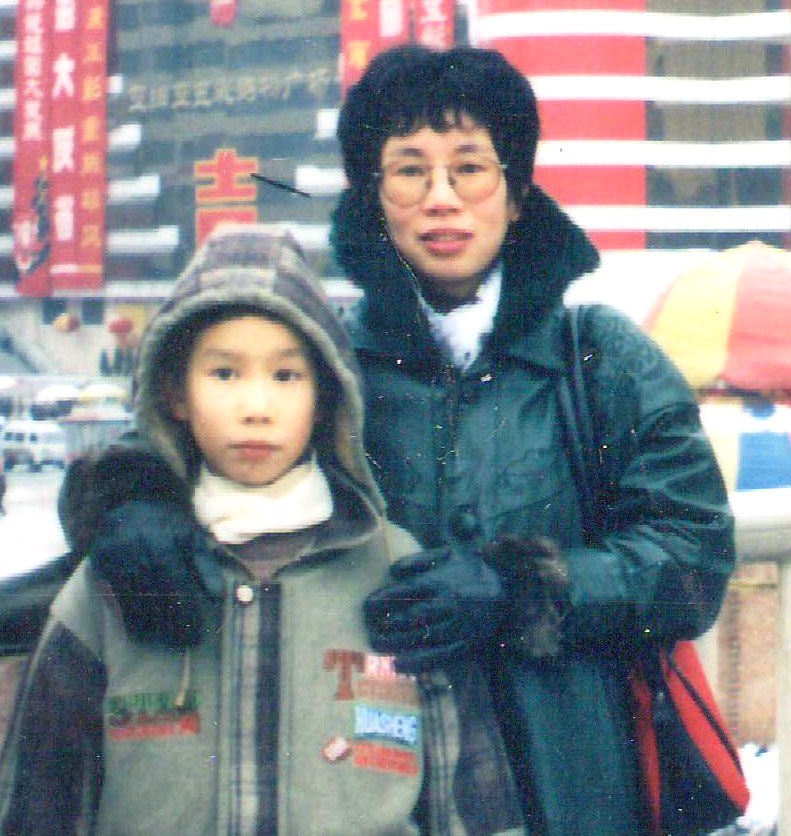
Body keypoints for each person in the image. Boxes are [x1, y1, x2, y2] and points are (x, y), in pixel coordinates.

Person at [43, 45, 736, 834]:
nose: (441, 199)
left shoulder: (598, 359)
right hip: (364, 776)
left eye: (469, 168)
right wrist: (133, 504)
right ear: (374, 197)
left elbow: (693, 554)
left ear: (516, 193)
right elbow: (174, 440)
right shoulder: (326, 364)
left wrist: (522, 589)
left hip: (567, 775)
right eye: (409, 171)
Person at [0, 225, 525, 835]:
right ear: (175, 393)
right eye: (224, 374)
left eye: (286, 376)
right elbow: (40, 805)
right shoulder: (114, 580)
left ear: (326, 396)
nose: (256, 407)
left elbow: (475, 804)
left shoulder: (398, 572)